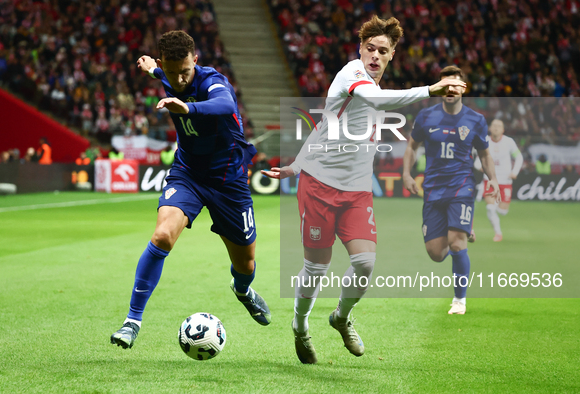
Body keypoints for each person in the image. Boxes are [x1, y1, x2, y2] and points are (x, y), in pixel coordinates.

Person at [261, 16, 466, 364]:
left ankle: (340, 317)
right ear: (360, 48)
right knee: (316, 268)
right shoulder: (352, 74)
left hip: (356, 191)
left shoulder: (370, 82)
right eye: (369, 48)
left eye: (382, 51)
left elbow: (326, 123)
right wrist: (430, 90)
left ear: (391, 55)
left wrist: (296, 161)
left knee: (365, 262)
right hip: (319, 187)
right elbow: (378, 100)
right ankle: (300, 327)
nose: (374, 55)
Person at [110, 30, 271, 349]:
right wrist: (150, 68)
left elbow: (224, 105)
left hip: (229, 181)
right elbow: (161, 72)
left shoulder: (213, 82)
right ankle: (132, 322)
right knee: (162, 236)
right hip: (189, 174)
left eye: (186, 70)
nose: (180, 80)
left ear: (195, 61)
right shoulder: (167, 74)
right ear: (163, 65)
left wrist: (189, 109)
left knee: (246, 264)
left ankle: (242, 291)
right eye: (171, 73)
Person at [402, 65, 500, 316]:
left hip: (462, 186)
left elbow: (484, 154)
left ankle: (459, 300)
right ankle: (463, 228)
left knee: (456, 245)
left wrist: (494, 180)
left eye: (456, 85)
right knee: (436, 253)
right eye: (446, 85)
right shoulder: (426, 117)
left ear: (463, 89)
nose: (451, 89)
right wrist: (406, 173)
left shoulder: (476, 120)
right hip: (433, 189)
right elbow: (412, 147)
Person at [474, 119, 523, 242]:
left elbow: (519, 157)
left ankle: (498, 208)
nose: (496, 128)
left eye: (499, 126)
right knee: (490, 208)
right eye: (494, 125)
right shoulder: (484, 140)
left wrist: (515, 172)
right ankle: (498, 233)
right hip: (490, 180)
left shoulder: (509, 142)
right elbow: (477, 159)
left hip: (505, 181)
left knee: (502, 211)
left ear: (503, 130)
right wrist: (479, 166)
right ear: (489, 128)